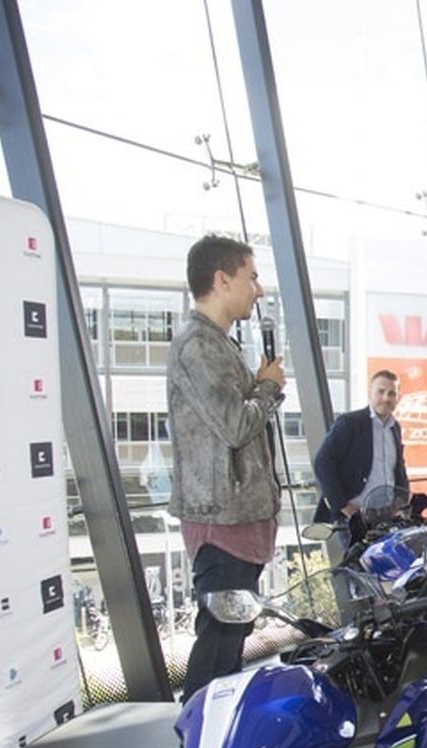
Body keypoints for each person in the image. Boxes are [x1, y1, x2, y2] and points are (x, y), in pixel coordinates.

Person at [167, 235, 284, 700]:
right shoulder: (197, 347)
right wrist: (268, 389)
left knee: (230, 641)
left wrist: (259, 385)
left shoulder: (219, 344)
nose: (257, 290)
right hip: (221, 522)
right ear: (222, 279)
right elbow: (236, 425)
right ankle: (199, 740)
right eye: (251, 277)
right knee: (218, 644)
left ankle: (215, 737)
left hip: (238, 517)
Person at [311, 370, 409, 526]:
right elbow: (322, 463)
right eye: (381, 391)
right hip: (353, 516)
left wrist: (402, 502)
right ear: (369, 392)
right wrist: (344, 506)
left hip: (386, 515)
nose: (386, 398)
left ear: (398, 397)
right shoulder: (350, 423)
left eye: (392, 393)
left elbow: (398, 468)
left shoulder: (394, 428)